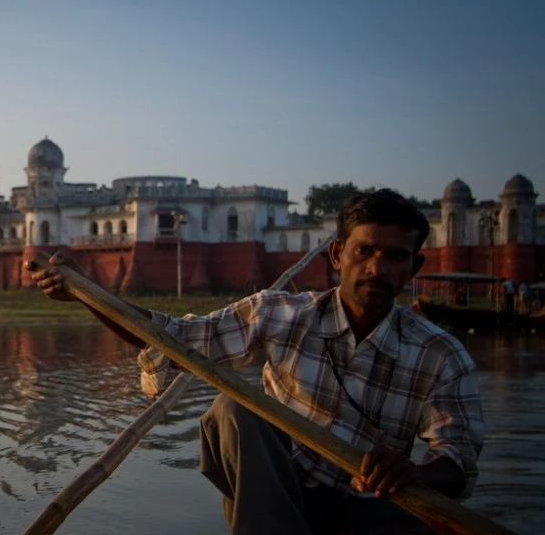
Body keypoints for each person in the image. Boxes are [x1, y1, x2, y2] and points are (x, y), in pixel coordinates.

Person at [27, 188, 484, 535]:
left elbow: (457, 461)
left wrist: (414, 472)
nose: (376, 268)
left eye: (394, 257)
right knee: (235, 408)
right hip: (273, 491)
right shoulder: (279, 313)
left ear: (414, 268)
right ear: (337, 255)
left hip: (368, 506)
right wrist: (92, 295)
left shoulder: (441, 354)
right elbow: (174, 340)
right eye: (364, 251)